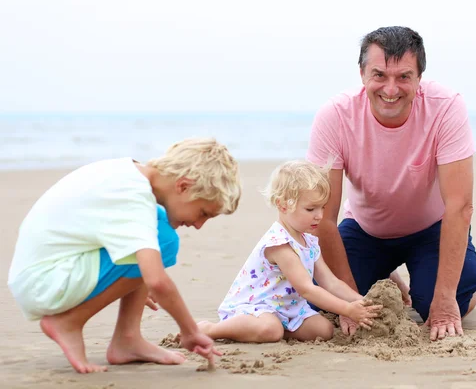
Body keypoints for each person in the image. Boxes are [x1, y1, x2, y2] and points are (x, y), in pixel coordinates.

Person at [306, 26, 476, 341]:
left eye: (403, 76)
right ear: (362, 74)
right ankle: (383, 268)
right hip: (365, 228)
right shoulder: (335, 116)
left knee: (442, 304)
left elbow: (459, 205)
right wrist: (348, 301)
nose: (391, 89)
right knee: (320, 297)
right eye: (379, 75)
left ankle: (443, 288)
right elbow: (323, 217)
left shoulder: (446, 107)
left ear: (419, 78)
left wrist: (445, 300)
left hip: (431, 229)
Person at [7, 138, 241, 373]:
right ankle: (68, 322)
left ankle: (128, 339)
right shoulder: (133, 197)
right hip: (45, 282)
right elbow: (158, 282)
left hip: (41, 273)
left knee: (153, 233)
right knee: (164, 241)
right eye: (203, 213)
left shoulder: (130, 174)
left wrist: (135, 276)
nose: (198, 225)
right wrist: (190, 331)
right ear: (183, 186)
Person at [194, 160, 381, 343]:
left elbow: (330, 282)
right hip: (256, 308)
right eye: (310, 209)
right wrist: (347, 309)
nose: (320, 215)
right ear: (283, 205)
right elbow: (307, 290)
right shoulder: (280, 244)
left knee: (324, 330)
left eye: (322, 207)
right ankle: (210, 329)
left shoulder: (309, 241)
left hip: (288, 308)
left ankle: (277, 330)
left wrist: (361, 301)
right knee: (270, 328)